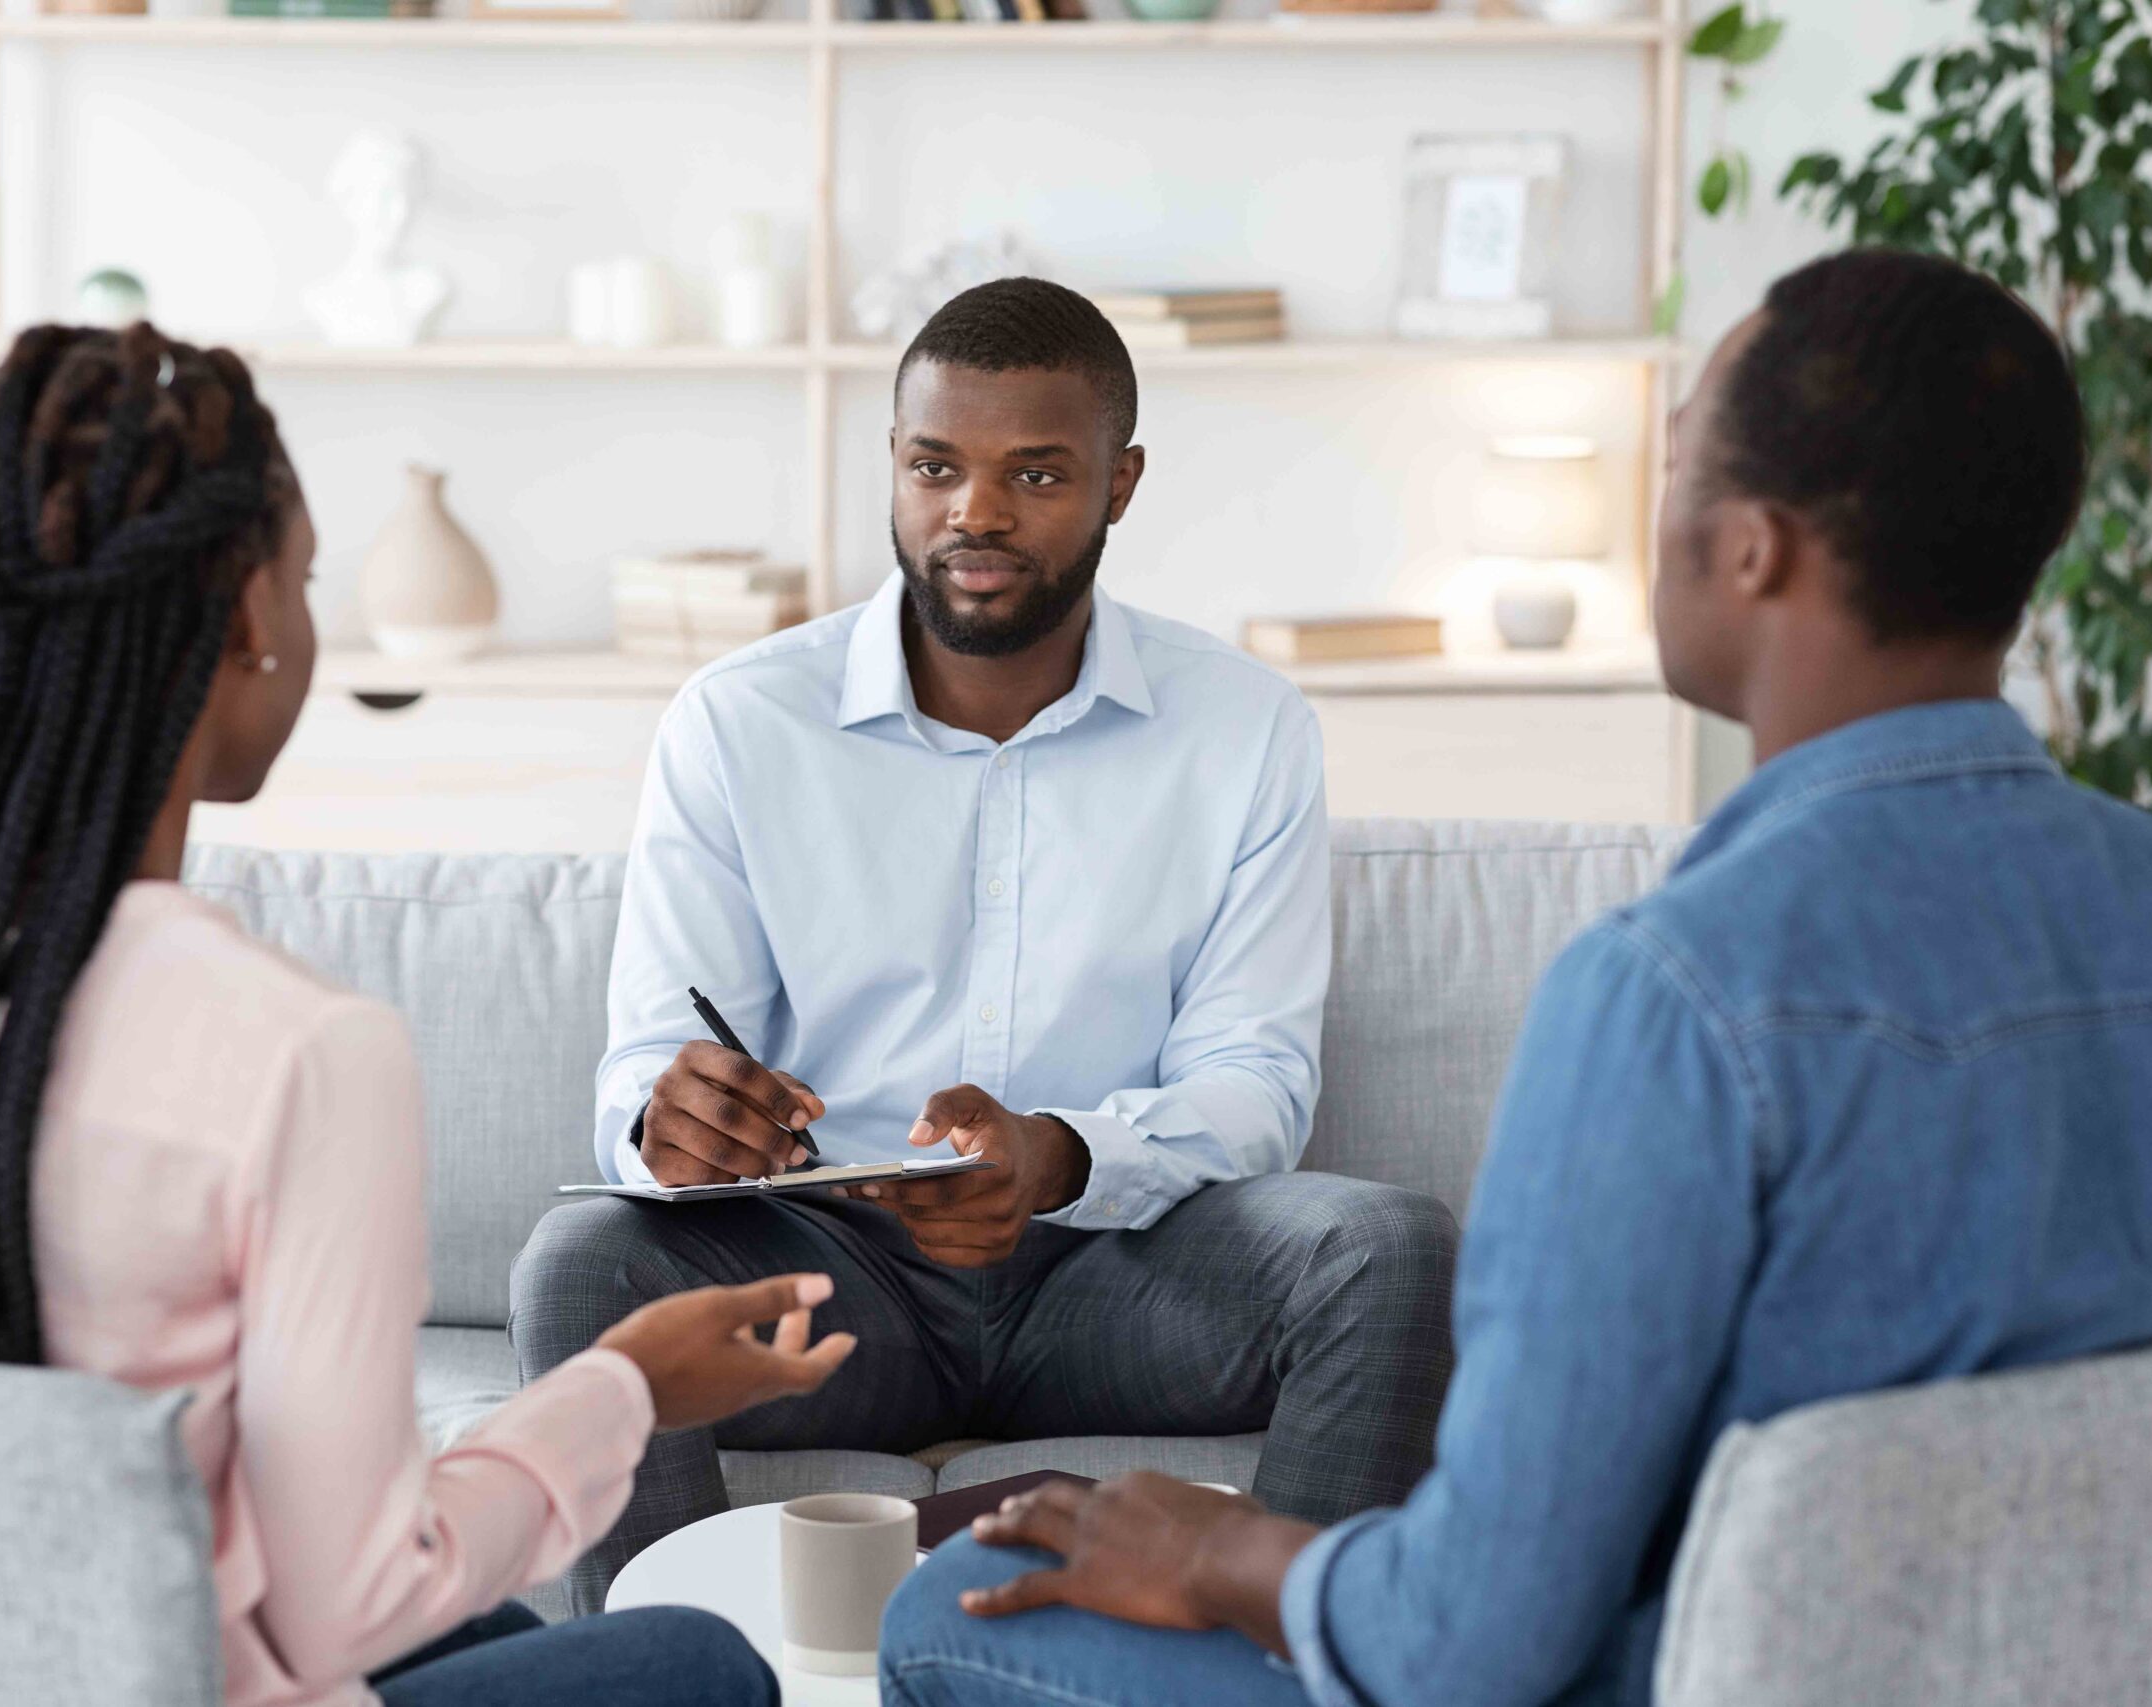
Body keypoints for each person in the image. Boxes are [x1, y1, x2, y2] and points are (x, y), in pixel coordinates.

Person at [874, 248, 2152, 1707]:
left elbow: (1471, 1645)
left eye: (1674, 467)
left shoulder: (1675, 999)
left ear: (1754, 550)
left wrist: (1216, 1555)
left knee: (948, 1611)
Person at [0, 324, 856, 1707]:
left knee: (512, 1646)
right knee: (696, 1663)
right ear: (252, 616)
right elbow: (350, 1611)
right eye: (308, 578)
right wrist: (624, 1386)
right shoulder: (294, 1053)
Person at [511, 278, 1459, 1613]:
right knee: (581, 1264)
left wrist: (1057, 1154)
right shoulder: (739, 723)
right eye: (935, 466)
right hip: (828, 1280)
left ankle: (1273, 1689)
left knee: (1391, 1247)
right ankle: (670, 1679)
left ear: (1120, 484)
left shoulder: (1246, 731)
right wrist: (669, 1129)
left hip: (1118, 1275)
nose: (977, 512)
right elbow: (649, 1068)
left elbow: (1256, 1083)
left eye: (1036, 473)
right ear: (892, 468)